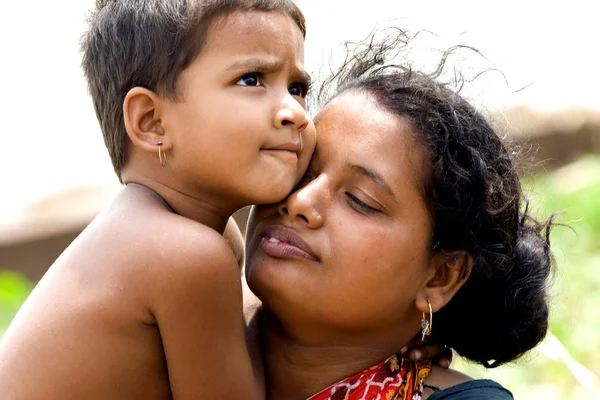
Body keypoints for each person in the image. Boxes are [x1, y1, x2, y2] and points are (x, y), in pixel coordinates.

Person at [0, 0, 315, 398]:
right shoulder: (185, 254)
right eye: (252, 80)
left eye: (298, 88)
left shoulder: (175, 234)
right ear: (151, 122)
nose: (296, 113)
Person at [242, 32, 555, 399]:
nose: (300, 201)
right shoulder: (176, 316)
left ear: (438, 277)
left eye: (359, 200)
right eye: (300, 169)